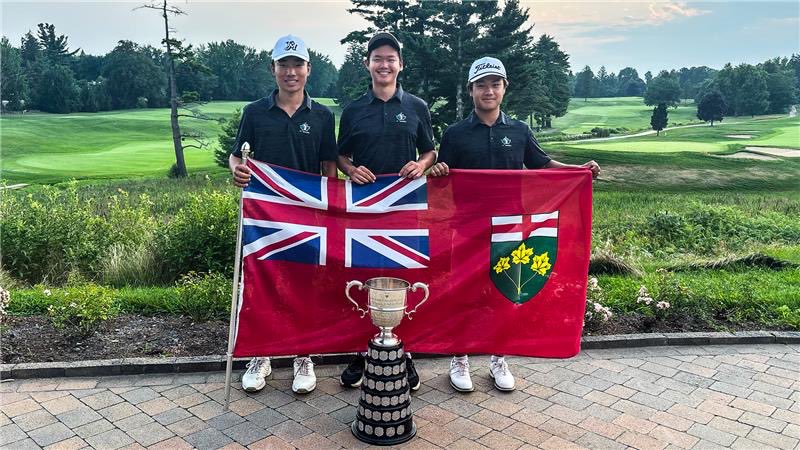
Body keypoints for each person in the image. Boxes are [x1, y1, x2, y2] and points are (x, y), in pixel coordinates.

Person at [429, 56, 600, 393]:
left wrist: (578, 170)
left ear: (505, 88)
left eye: (495, 84)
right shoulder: (455, 134)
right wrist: (437, 169)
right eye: (481, 85)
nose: (488, 91)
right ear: (471, 90)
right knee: (464, 295)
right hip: (466, 229)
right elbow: (442, 176)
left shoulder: (519, 130)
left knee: (503, 293)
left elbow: (542, 164)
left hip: (509, 228)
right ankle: (459, 358)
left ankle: (498, 357)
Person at [230, 34, 338, 395]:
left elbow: (328, 165)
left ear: (308, 69)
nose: (291, 72)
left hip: (307, 216)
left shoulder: (322, 115)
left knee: (304, 286)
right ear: (273, 68)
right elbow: (237, 155)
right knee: (262, 283)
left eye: (297, 65)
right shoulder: (255, 112)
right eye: (284, 65)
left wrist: (331, 209)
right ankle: (260, 354)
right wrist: (237, 169)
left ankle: (302, 355)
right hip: (265, 217)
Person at [336, 31, 437, 391]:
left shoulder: (417, 107)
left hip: (406, 209)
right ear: (368, 64)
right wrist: (350, 169)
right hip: (364, 210)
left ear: (400, 65)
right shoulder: (353, 110)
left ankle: (402, 353)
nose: (384, 64)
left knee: (402, 280)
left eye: (390, 59)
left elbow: (430, 151)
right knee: (366, 280)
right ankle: (364, 351)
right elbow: (340, 155)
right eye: (377, 58)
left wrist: (421, 164)